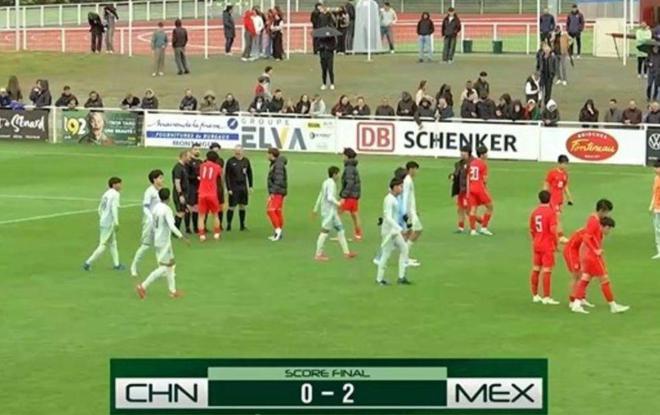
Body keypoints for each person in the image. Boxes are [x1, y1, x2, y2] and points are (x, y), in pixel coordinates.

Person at [569, 216, 630, 314]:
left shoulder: (598, 233)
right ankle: (613, 306)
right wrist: (595, 251)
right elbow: (586, 239)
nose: (609, 231)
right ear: (604, 226)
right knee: (604, 280)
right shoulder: (595, 231)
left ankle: (576, 304)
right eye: (608, 228)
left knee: (585, 279)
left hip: (587, 258)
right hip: (593, 258)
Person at [135, 188, 188, 300]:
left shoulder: (155, 208)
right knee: (164, 267)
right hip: (164, 242)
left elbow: (153, 223)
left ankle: (173, 291)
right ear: (169, 198)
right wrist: (181, 236)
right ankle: (142, 286)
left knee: (170, 265)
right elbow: (172, 226)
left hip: (158, 239)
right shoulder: (167, 210)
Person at [313, 166, 357, 261]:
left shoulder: (326, 182)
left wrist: (315, 208)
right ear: (334, 174)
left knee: (341, 230)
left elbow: (321, 195)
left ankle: (346, 252)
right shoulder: (331, 184)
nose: (339, 176)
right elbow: (329, 197)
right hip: (329, 212)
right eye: (338, 174)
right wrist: (339, 203)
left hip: (331, 212)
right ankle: (318, 254)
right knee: (324, 231)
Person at [82, 177, 124, 271]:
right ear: (114, 185)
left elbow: (99, 208)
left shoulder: (106, 193)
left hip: (104, 221)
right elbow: (114, 208)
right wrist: (116, 222)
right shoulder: (115, 194)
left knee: (113, 243)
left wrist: (103, 217)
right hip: (109, 222)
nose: (121, 186)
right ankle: (88, 263)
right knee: (103, 245)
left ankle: (117, 264)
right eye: (119, 184)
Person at [129, 169, 164, 278]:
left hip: (159, 222)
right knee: (145, 245)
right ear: (154, 179)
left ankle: (162, 268)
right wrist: (151, 218)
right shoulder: (149, 191)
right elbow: (145, 207)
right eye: (160, 178)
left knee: (160, 245)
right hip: (149, 222)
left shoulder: (161, 191)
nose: (162, 180)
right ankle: (133, 267)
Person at [376, 177, 410, 286]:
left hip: (394, 231)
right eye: (400, 187)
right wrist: (399, 228)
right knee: (386, 253)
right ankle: (379, 279)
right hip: (389, 232)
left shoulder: (394, 199)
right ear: (394, 187)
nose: (402, 189)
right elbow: (388, 217)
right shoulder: (389, 199)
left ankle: (401, 277)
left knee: (404, 248)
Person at [529, 190, 560, 305]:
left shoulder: (535, 212)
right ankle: (546, 297)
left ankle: (535, 295)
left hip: (537, 243)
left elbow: (532, 230)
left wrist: (536, 239)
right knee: (547, 270)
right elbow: (553, 230)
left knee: (536, 269)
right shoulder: (551, 213)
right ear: (550, 199)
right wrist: (556, 244)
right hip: (547, 245)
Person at [544, 154, 574, 243]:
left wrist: (569, 198)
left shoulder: (565, 174)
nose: (565, 166)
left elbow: (565, 187)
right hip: (552, 199)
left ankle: (548, 232)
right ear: (559, 163)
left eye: (566, 164)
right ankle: (560, 236)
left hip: (560, 199)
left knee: (553, 216)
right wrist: (544, 196)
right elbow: (546, 184)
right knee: (557, 217)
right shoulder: (552, 173)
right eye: (564, 164)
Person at [225, 145, 253, 232]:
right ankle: (229, 225)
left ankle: (242, 225)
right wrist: (229, 188)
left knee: (242, 206)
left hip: (243, 187)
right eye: (236, 151)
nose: (238, 152)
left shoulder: (246, 161)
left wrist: (250, 186)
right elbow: (227, 176)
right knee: (232, 206)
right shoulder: (230, 161)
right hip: (234, 187)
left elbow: (249, 173)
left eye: (239, 150)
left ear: (242, 151)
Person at [197, 152, 223, 241]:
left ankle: (201, 235)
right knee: (215, 214)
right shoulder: (217, 167)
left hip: (202, 193)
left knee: (201, 216)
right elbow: (220, 175)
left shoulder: (201, 166)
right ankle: (216, 233)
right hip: (212, 194)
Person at [468, 146, 493, 236]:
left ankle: (473, 230)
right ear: (482, 155)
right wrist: (484, 188)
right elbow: (485, 179)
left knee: (473, 209)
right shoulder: (483, 164)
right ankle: (484, 228)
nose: (487, 155)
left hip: (471, 188)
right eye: (486, 153)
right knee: (490, 207)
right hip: (479, 188)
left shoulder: (472, 163)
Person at [338, 148, 362, 240]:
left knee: (338, 213)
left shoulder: (348, 168)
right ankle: (358, 234)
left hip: (349, 195)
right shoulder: (353, 167)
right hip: (355, 195)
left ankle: (340, 234)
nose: (342, 157)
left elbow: (349, 183)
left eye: (343, 155)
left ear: (346, 156)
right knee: (354, 214)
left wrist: (344, 196)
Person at [402, 161, 422, 266]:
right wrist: (406, 212)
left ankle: (405, 256)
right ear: (411, 169)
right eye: (415, 169)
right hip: (409, 211)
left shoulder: (408, 180)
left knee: (408, 233)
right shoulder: (407, 181)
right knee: (417, 230)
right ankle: (404, 258)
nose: (416, 172)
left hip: (411, 210)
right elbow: (405, 197)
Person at [266, 147, 287, 241]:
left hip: (277, 191)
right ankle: (278, 232)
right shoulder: (276, 163)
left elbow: (279, 180)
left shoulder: (277, 165)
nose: (267, 156)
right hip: (279, 191)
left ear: (271, 155)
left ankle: (278, 232)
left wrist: (273, 192)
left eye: (268, 154)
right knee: (277, 211)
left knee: (271, 210)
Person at [450, 146, 472, 233]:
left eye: (464, 152)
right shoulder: (458, 164)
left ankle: (477, 223)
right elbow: (456, 174)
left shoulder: (473, 163)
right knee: (460, 209)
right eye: (461, 152)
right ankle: (461, 227)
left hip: (468, 189)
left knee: (468, 210)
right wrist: (452, 176)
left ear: (468, 153)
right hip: (460, 190)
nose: (462, 153)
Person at [172, 150, 190, 231]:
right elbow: (177, 182)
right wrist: (180, 195)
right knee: (180, 212)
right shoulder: (178, 168)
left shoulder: (183, 166)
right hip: (180, 194)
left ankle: (175, 230)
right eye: (188, 157)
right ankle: (175, 230)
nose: (189, 159)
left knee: (184, 211)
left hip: (184, 193)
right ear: (184, 156)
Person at [186, 143, 203, 234]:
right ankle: (187, 227)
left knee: (196, 207)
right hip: (190, 187)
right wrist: (196, 178)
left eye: (198, 149)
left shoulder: (200, 161)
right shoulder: (189, 162)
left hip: (199, 187)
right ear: (191, 150)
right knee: (189, 207)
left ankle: (196, 227)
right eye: (195, 149)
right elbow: (186, 175)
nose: (197, 151)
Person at [649, 160, 660, 259]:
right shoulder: (656, 178)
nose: (655, 169)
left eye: (657, 168)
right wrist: (651, 205)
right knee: (657, 230)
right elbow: (654, 193)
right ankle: (659, 251)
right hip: (657, 208)